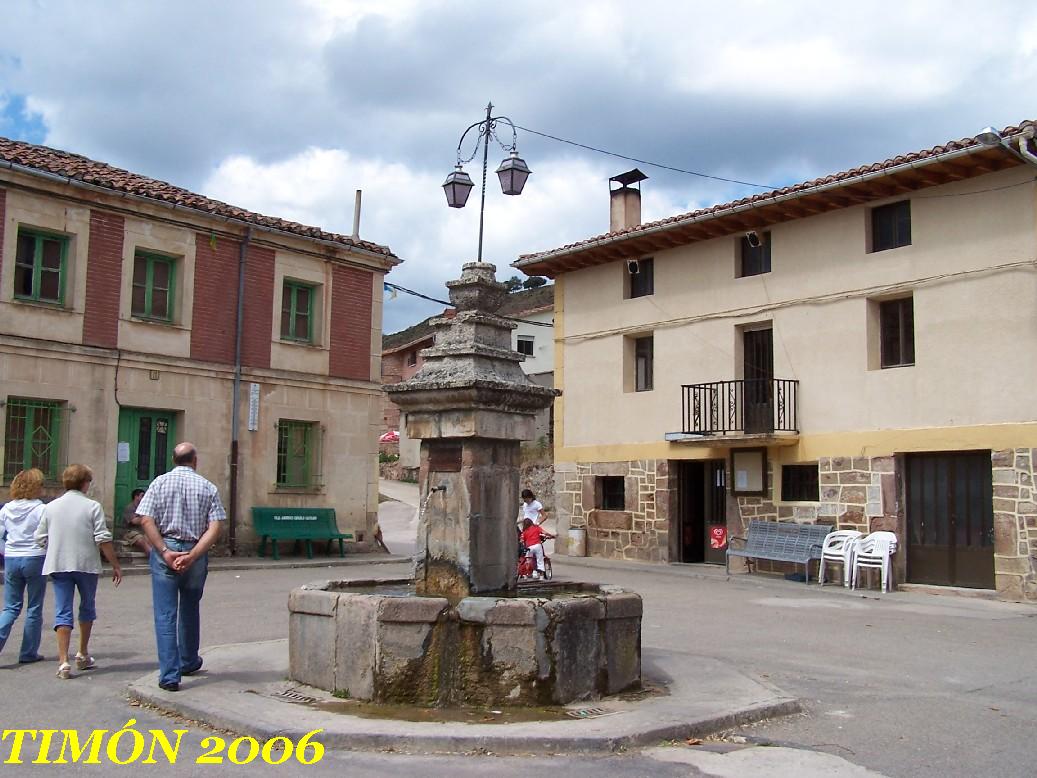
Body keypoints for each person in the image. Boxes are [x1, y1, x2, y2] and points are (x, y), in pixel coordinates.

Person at [137, 442, 226, 692]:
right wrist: (195, 554)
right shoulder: (207, 487)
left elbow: (146, 519)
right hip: (194, 549)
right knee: (190, 605)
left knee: (165, 613)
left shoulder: (159, 483)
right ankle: (188, 660)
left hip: (167, 547)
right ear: (194, 460)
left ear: (174, 460)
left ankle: (169, 675)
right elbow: (215, 525)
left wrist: (164, 551)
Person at [34, 464, 122, 679]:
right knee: (87, 606)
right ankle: (82, 653)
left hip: (59, 563)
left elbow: (39, 537)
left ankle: (63, 661)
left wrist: (54, 547)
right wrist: (115, 564)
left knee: (62, 609)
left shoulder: (51, 507)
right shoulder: (92, 506)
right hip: (86, 564)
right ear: (85, 483)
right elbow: (102, 538)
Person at [0, 469, 48, 664]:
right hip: (35, 557)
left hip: (12, 557)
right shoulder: (41, 509)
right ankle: (28, 652)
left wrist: (6, 551)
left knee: (10, 607)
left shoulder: (6, 509)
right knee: (34, 607)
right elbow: (46, 535)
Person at [120, 488, 151, 554]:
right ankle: (152, 556)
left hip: (141, 531)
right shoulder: (129, 507)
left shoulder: (143, 508)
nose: (144, 497)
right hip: (129, 532)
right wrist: (147, 518)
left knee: (152, 539)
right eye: (142, 495)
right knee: (141, 540)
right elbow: (134, 521)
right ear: (136, 497)